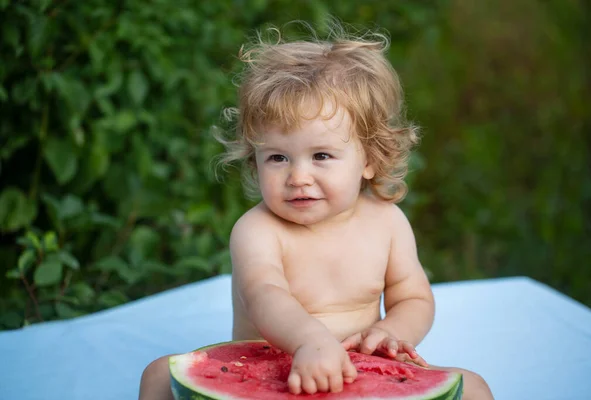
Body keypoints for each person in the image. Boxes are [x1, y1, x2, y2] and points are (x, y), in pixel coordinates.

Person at [139, 21, 494, 400]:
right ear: (254, 162)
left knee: (474, 388)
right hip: (269, 371)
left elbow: (414, 298)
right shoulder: (257, 230)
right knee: (159, 375)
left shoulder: (387, 222)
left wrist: (391, 333)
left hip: (362, 371)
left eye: (321, 155)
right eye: (277, 157)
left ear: (370, 159)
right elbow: (264, 294)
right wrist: (309, 341)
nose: (298, 176)